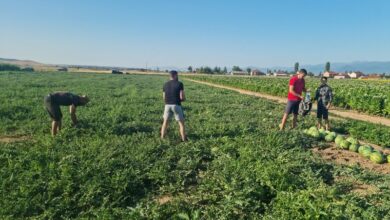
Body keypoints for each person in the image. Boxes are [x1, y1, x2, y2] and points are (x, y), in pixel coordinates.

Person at [161, 70, 187, 141]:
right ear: (175, 75)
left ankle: (162, 138)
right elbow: (182, 97)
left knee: (165, 123)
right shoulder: (180, 84)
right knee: (181, 124)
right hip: (176, 105)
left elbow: (164, 97)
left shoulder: (165, 84)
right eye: (177, 75)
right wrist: (183, 99)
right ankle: (184, 139)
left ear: (170, 76)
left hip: (167, 105)